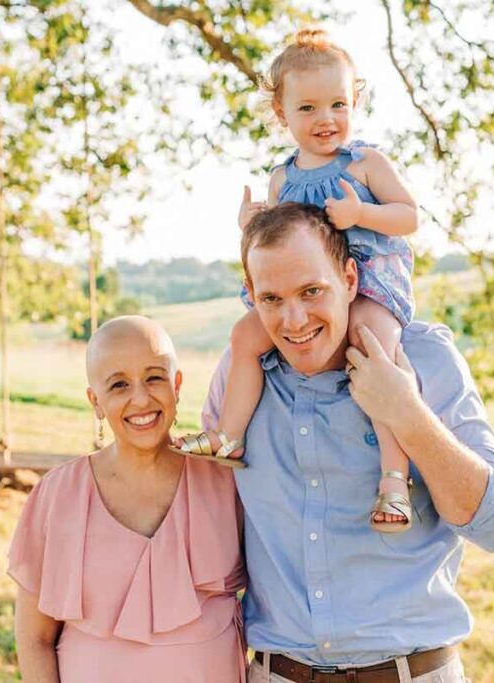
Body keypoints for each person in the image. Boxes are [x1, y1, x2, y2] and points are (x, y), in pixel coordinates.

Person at [203, 204, 494, 682]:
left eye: (312, 291)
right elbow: (205, 513)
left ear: (350, 279)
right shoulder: (240, 375)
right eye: (271, 299)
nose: (293, 320)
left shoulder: (425, 357)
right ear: (250, 294)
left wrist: (406, 412)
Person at [176, 27, 421, 533]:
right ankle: (229, 434)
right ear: (282, 113)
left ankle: (395, 477)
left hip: (370, 282)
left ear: (355, 102)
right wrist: (250, 224)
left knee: (375, 351)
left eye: (337, 104)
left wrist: (361, 215)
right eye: (307, 108)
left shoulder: (367, 162)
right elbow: (279, 240)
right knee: (246, 336)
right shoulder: (282, 178)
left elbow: (409, 216)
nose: (325, 119)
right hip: (305, 295)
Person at [7, 316, 246, 683]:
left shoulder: (225, 482)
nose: (140, 398)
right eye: (119, 385)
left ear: (177, 384)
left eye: (154, 377)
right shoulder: (58, 496)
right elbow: (34, 638)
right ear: (95, 401)